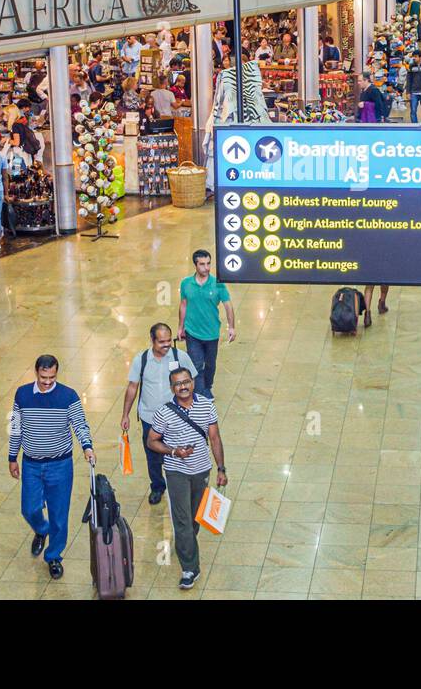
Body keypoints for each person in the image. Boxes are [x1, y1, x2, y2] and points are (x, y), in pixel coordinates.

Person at [8, 355, 95, 581]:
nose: (47, 382)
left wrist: (87, 447)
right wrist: (12, 456)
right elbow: (15, 427)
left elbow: (79, 424)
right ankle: (41, 529)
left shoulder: (68, 396)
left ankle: (54, 555)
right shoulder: (23, 394)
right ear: (36, 373)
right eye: (43, 377)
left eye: (52, 377)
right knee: (29, 508)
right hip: (31, 464)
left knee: (59, 514)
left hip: (60, 465)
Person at [147, 366, 226, 590]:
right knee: (182, 520)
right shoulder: (164, 412)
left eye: (186, 382)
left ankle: (186, 543)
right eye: (178, 384)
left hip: (201, 470)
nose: (183, 387)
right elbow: (151, 441)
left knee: (194, 519)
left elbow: (215, 437)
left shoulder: (206, 406)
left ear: (192, 382)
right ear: (172, 388)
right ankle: (190, 568)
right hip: (176, 472)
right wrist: (173, 451)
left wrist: (221, 469)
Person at [123, 323, 198, 505]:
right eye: (161, 342)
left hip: (177, 418)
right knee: (153, 457)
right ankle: (157, 486)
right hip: (150, 419)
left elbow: (192, 383)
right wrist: (125, 414)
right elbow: (133, 387)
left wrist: (194, 410)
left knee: (179, 453)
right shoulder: (141, 360)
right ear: (152, 340)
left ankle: (181, 486)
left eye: (168, 341)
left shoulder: (180, 357)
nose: (166, 345)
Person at [178, 249, 236, 399]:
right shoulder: (186, 284)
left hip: (211, 333)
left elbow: (228, 305)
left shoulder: (218, 285)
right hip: (192, 332)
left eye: (209, 263)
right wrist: (181, 327)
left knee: (210, 365)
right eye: (202, 264)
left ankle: (207, 385)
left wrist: (232, 327)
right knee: (196, 365)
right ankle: (201, 393)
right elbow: (183, 304)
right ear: (195, 265)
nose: (207, 267)